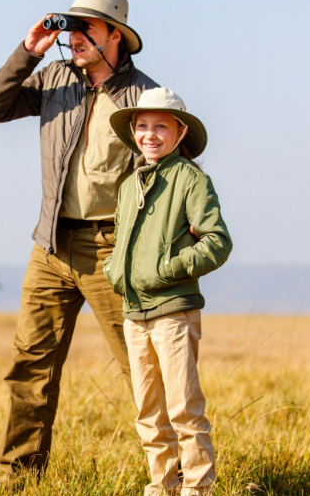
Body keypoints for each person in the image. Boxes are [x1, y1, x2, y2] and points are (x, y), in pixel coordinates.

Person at [0, 0, 159, 479]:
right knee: (30, 365)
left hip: (113, 251)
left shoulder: (145, 95)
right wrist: (29, 50)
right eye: (70, 28)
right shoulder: (55, 77)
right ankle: (15, 475)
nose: (74, 37)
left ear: (115, 36)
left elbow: (174, 171)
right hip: (50, 245)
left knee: (141, 367)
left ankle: (173, 476)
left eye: (87, 29)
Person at [104, 88, 232, 496]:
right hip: (134, 312)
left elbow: (217, 241)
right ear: (133, 133)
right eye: (142, 126)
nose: (150, 134)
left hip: (174, 311)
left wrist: (168, 270)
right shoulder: (128, 186)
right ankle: (161, 487)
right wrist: (114, 272)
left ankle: (197, 489)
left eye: (161, 126)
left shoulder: (191, 179)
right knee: (148, 412)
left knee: (183, 408)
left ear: (180, 133)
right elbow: (120, 243)